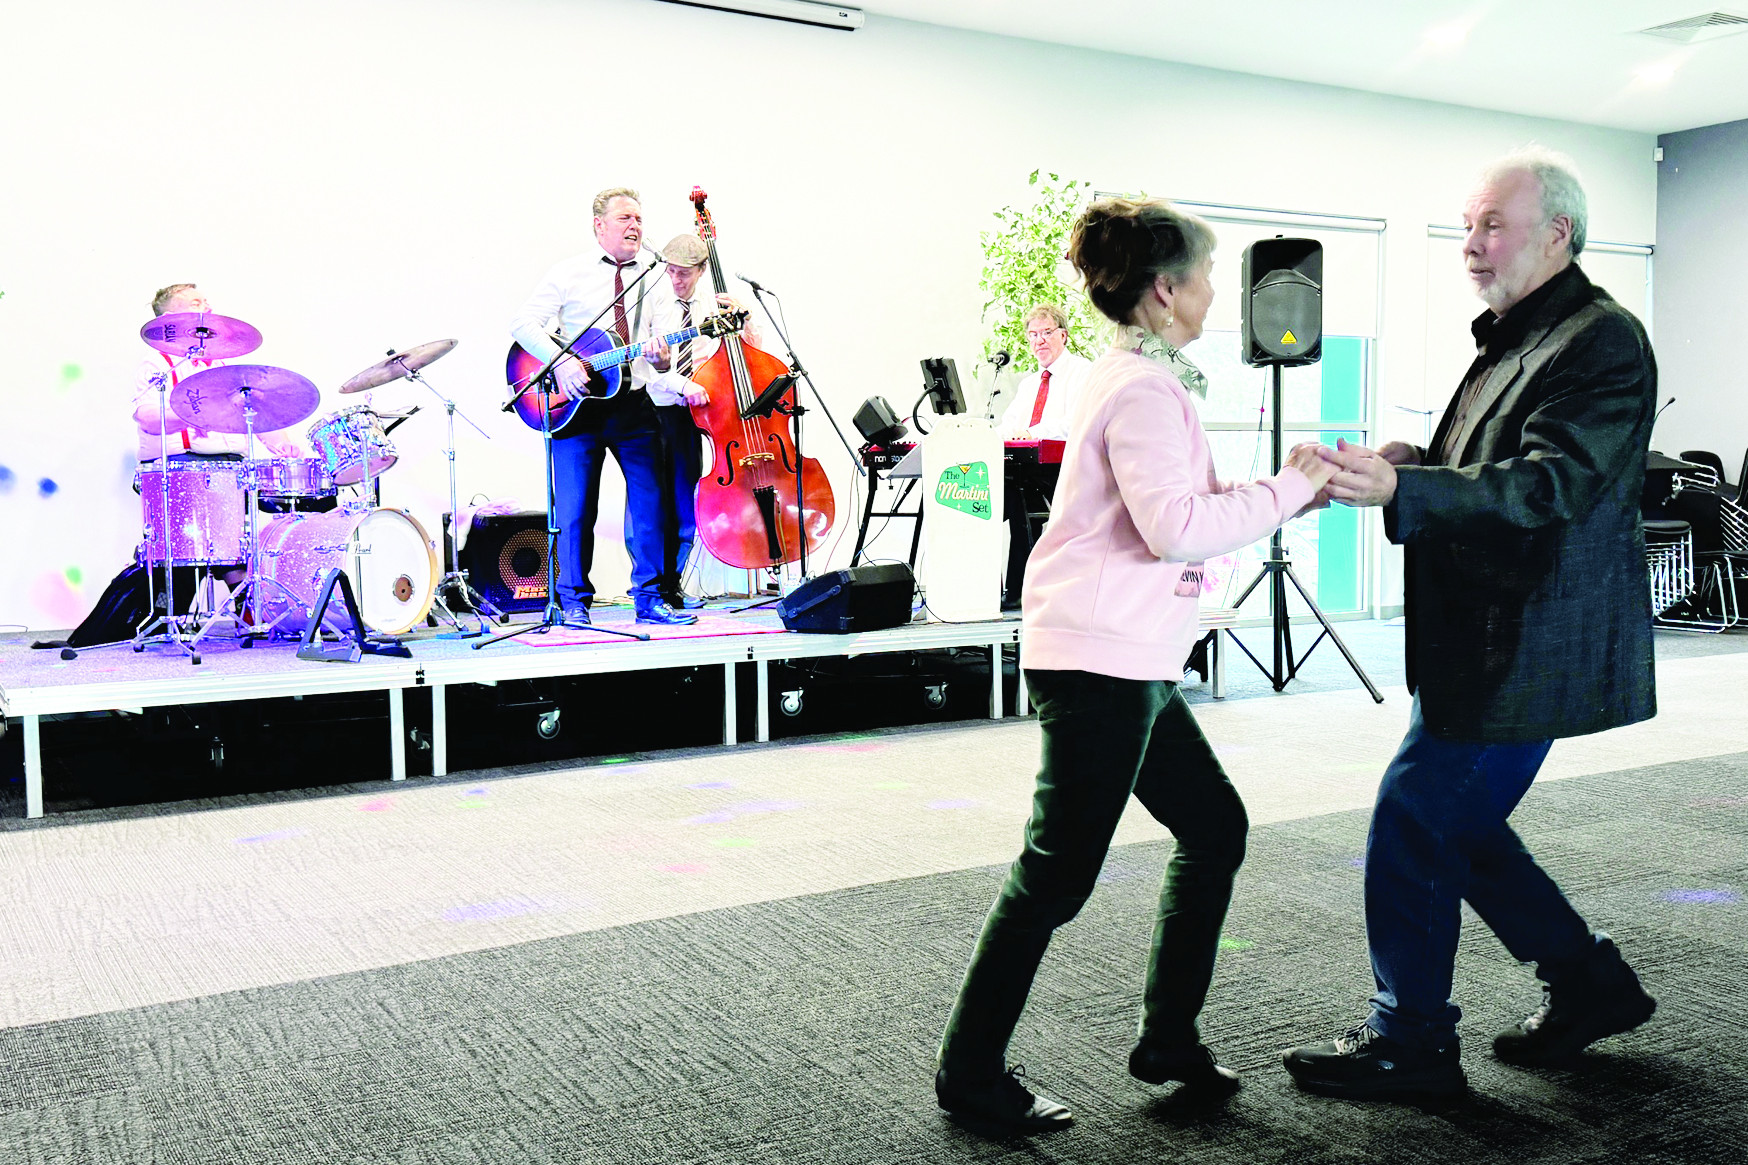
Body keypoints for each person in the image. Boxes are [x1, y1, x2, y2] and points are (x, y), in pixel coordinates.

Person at [933, 197, 1336, 1132]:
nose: (1213, 296)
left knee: (1214, 826)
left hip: (1130, 657)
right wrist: (1285, 491)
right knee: (1055, 876)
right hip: (1101, 663)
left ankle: (1168, 1039)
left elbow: (1178, 502)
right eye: (1202, 276)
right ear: (1164, 290)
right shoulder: (1144, 387)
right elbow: (1173, 529)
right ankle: (970, 1074)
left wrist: (1285, 495)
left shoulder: (1142, 377)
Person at [1282, 148, 1659, 1101]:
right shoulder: (1520, 329)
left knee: (1413, 821)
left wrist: (1408, 487)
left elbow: (1551, 483)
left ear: (1558, 234)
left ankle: (1409, 1040)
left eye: (1491, 225)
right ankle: (1589, 985)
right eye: (1467, 226)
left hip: (1527, 642)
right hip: (1478, 637)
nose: (1471, 245)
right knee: (1466, 824)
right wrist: (1407, 460)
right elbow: (1488, 454)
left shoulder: (1602, 340)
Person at [509, 187, 696, 627]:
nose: (635, 227)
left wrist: (661, 354)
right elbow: (522, 324)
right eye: (625, 219)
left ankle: (650, 600)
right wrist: (563, 363)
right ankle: (573, 602)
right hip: (575, 407)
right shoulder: (568, 273)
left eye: (639, 220)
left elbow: (665, 347)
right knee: (574, 510)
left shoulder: (654, 278)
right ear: (599, 225)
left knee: (651, 504)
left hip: (633, 403)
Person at [635, 233, 759, 611]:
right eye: (671, 272)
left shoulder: (712, 303)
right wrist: (684, 384)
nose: (676, 280)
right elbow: (645, 366)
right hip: (657, 407)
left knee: (685, 499)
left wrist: (746, 318)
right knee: (656, 504)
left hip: (698, 413)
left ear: (703, 270)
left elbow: (750, 353)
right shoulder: (652, 300)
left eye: (685, 274)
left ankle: (674, 584)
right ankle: (652, 587)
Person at [997, 305, 1093, 609]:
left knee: (1016, 495)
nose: (1039, 341)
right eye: (1033, 335)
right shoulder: (1029, 384)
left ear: (1063, 335)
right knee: (987, 493)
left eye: (1047, 333)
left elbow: (1076, 422)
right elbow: (1010, 425)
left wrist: (1033, 432)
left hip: (1065, 468)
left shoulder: (1082, 372)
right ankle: (1011, 591)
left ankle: (1021, 591)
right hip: (1027, 468)